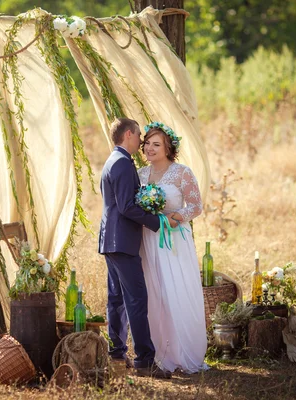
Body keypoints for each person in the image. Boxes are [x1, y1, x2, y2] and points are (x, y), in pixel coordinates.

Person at [98, 117, 176, 379]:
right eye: (139, 134)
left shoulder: (114, 161)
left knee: (118, 299)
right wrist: (157, 221)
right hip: (121, 242)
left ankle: (117, 354)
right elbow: (126, 206)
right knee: (136, 299)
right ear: (128, 134)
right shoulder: (121, 164)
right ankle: (145, 359)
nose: (141, 140)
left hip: (112, 241)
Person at [138, 121, 209, 374]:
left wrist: (172, 219)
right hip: (148, 240)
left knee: (175, 290)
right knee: (153, 292)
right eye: (147, 143)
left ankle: (184, 351)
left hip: (174, 239)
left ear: (168, 148)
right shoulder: (140, 175)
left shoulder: (182, 173)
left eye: (156, 144)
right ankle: (158, 352)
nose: (149, 148)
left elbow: (196, 206)